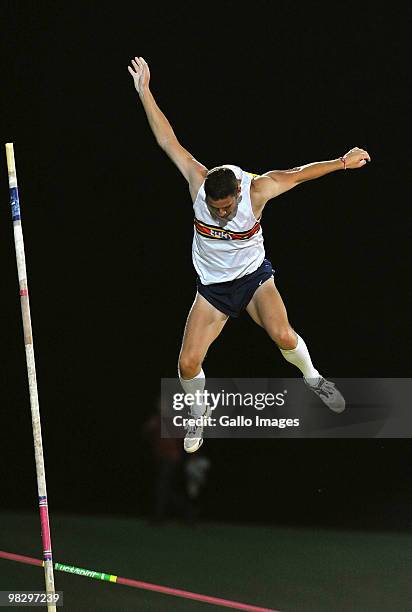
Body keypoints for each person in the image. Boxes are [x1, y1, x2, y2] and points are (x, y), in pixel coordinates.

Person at [128, 56, 371, 454]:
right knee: (187, 364)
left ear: (238, 195)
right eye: (215, 209)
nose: (221, 215)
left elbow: (299, 173)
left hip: (255, 278)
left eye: (226, 209)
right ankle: (198, 411)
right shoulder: (199, 182)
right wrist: (144, 91)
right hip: (212, 289)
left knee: (283, 335)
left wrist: (342, 163)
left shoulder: (258, 189)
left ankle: (313, 378)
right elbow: (167, 141)